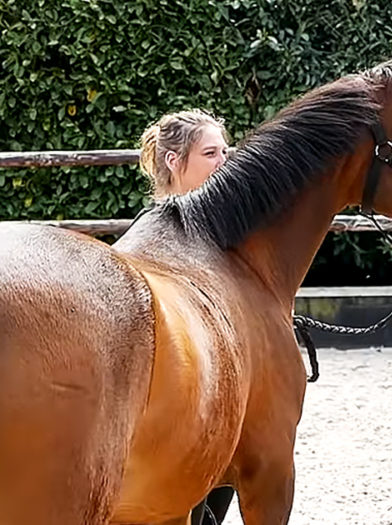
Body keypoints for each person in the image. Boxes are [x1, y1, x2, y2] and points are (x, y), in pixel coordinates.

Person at [137, 108, 235, 525]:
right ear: (175, 163)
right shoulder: (155, 235)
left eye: (227, 151)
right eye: (211, 153)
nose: (225, 162)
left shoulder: (221, 232)